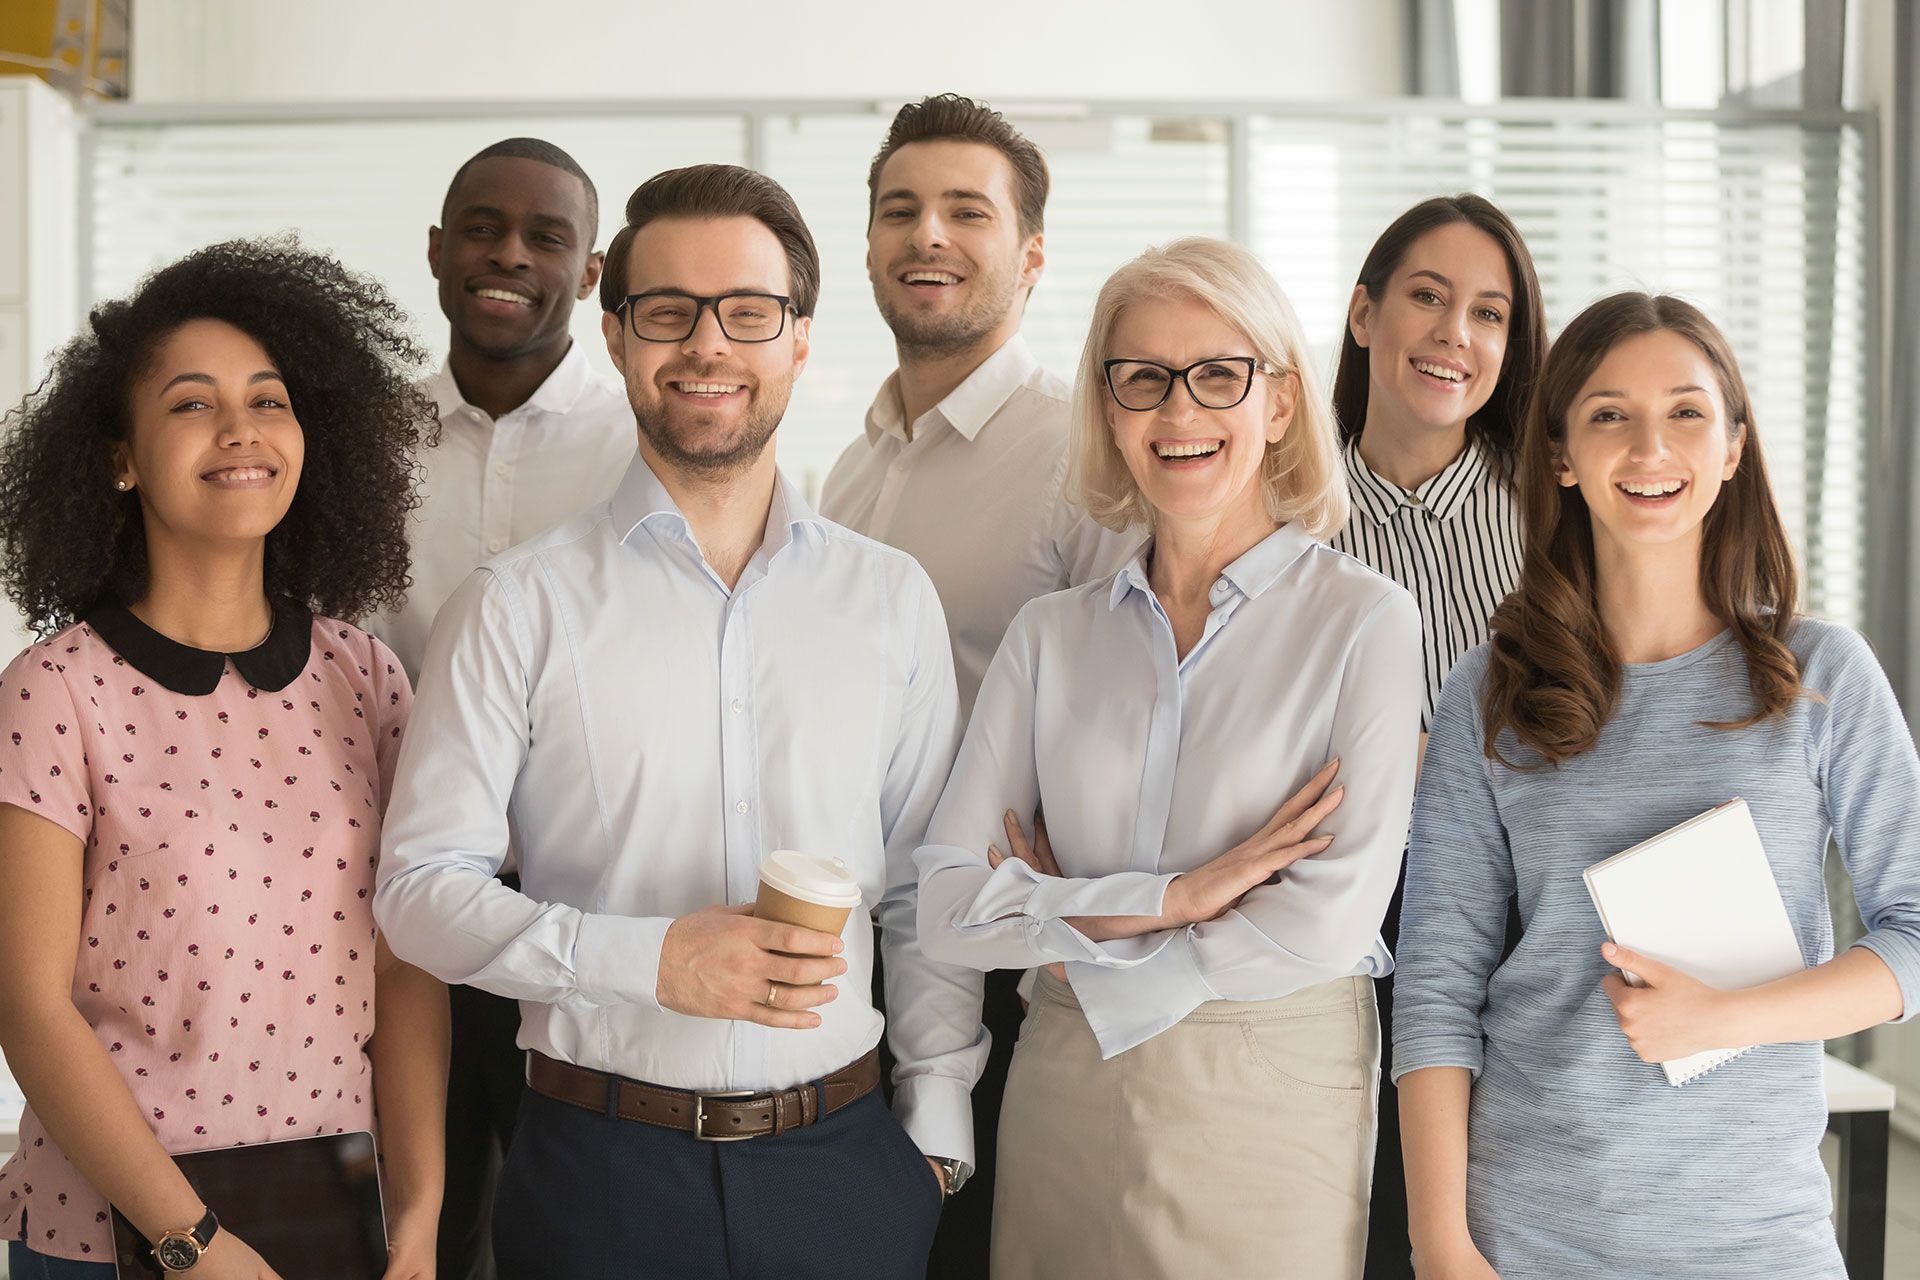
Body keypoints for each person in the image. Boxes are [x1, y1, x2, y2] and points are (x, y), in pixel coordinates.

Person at [374, 164, 986, 1280]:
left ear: (799, 337)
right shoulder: (514, 605)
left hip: (850, 1171)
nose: (708, 345)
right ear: (616, 335)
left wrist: (934, 1124)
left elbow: (924, 887)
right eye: (669, 312)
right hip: (597, 1172)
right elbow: (418, 896)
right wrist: (644, 960)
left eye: (749, 312)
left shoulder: (891, 599)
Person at [916, 237, 1423, 1279]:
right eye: (1142, 378)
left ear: (1278, 401)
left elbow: (1333, 914)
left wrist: (1075, 920)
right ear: (1107, 406)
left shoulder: (1364, 621)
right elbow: (944, 905)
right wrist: (1178, 895)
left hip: (1270, 1098)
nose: (1179, 411)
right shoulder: (1050, 636)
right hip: (1066, 1089)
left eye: (1219, 375)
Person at [1393, 293, 1920, 1280]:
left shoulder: (1823, 674)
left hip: (1759, 1235)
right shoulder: (1487, 690)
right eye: (1608, 414)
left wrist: (1726, 1014)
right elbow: (1436, 986)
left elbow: (1916, 928)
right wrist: (1442, 1247)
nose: (1648, 447)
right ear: (1559, 454)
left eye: (1685, 411)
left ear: (1731, 447)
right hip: (1528, 1230)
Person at [0, 239, 449, 1279]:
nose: (241, 428)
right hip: (112, 1241)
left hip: (333, 1223)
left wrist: (420, 1209)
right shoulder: (53, 692)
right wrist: (191, 1243)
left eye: (269, 399)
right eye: (193, 404)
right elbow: (29, 1002)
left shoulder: (367, 676)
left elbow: (403, 963)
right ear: (119, 456)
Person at [819, 94, 1133, 1276]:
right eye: (900, 211)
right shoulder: (850, 468)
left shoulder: (1083, 452)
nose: (928, 236)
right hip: (862, 945)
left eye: (966, 210)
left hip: (1017, 961)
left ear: (1032, 254)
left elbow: (1141, 696)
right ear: (866, 248)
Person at [365, 135, 634, 1280]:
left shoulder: (647, 443)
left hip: (578, 912)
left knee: (574, 1233)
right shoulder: (366, 444)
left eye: (546, 235)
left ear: (592, 269)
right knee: (415, 1233)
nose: (508, 254)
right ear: (436, 249)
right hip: (397, 919)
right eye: (481, 226)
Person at [1325, 194, 1546, 1280]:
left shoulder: (1559, 519)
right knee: (1360, 1225)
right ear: (1364, 314)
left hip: (1524, 920)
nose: (1456, 333)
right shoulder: (1276, 508)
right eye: (1427, 296)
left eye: (1490, 312)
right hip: (1333, 928)